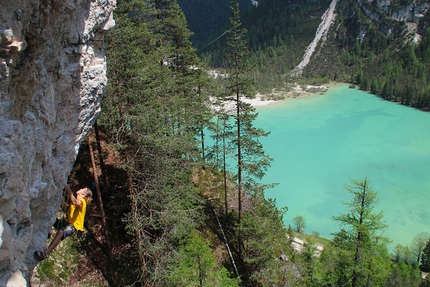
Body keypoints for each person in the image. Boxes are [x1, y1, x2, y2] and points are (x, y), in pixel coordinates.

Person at [35, 184, 92, 260]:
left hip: (72, 226)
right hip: (66, 222)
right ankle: (48, 232)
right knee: (50, 218)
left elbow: (75, 202)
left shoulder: (82, 202)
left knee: (61, 232)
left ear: (83, 194)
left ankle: (45, 253)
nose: (80, 188)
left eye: (82, 189)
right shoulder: (77, 201)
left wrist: (68, 190)